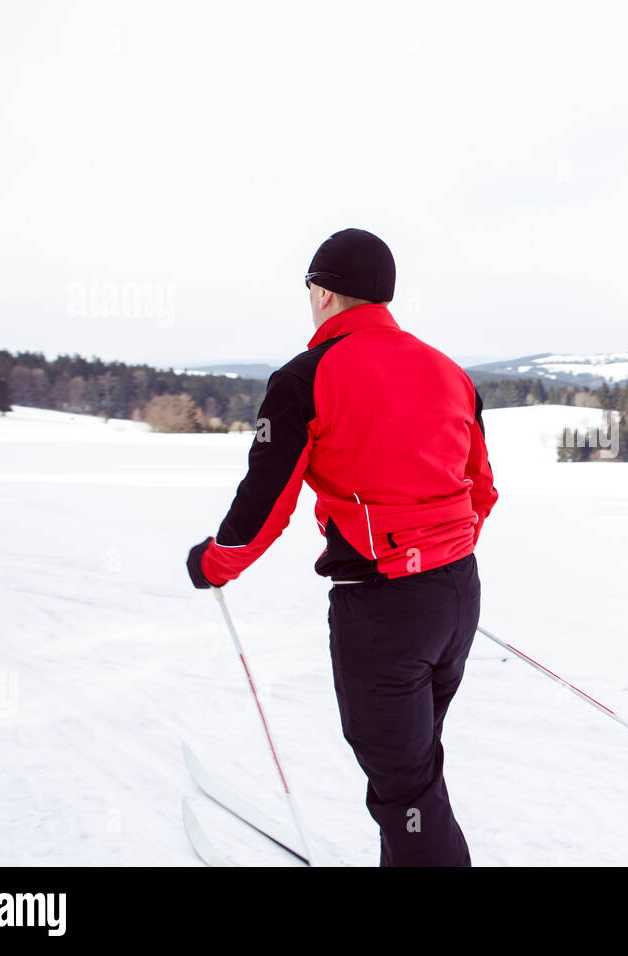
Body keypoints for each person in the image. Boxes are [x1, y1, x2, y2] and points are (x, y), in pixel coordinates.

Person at [185, 228, 497, 866]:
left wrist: (215, 562)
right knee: (412, 772)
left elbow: (267, 501)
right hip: (456, 594)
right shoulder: (450, 373)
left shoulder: (307, 376)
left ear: (323, 292)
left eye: (309, 289)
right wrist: (436, 559)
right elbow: (481, 490)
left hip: (384, 612)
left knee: (405, 788)